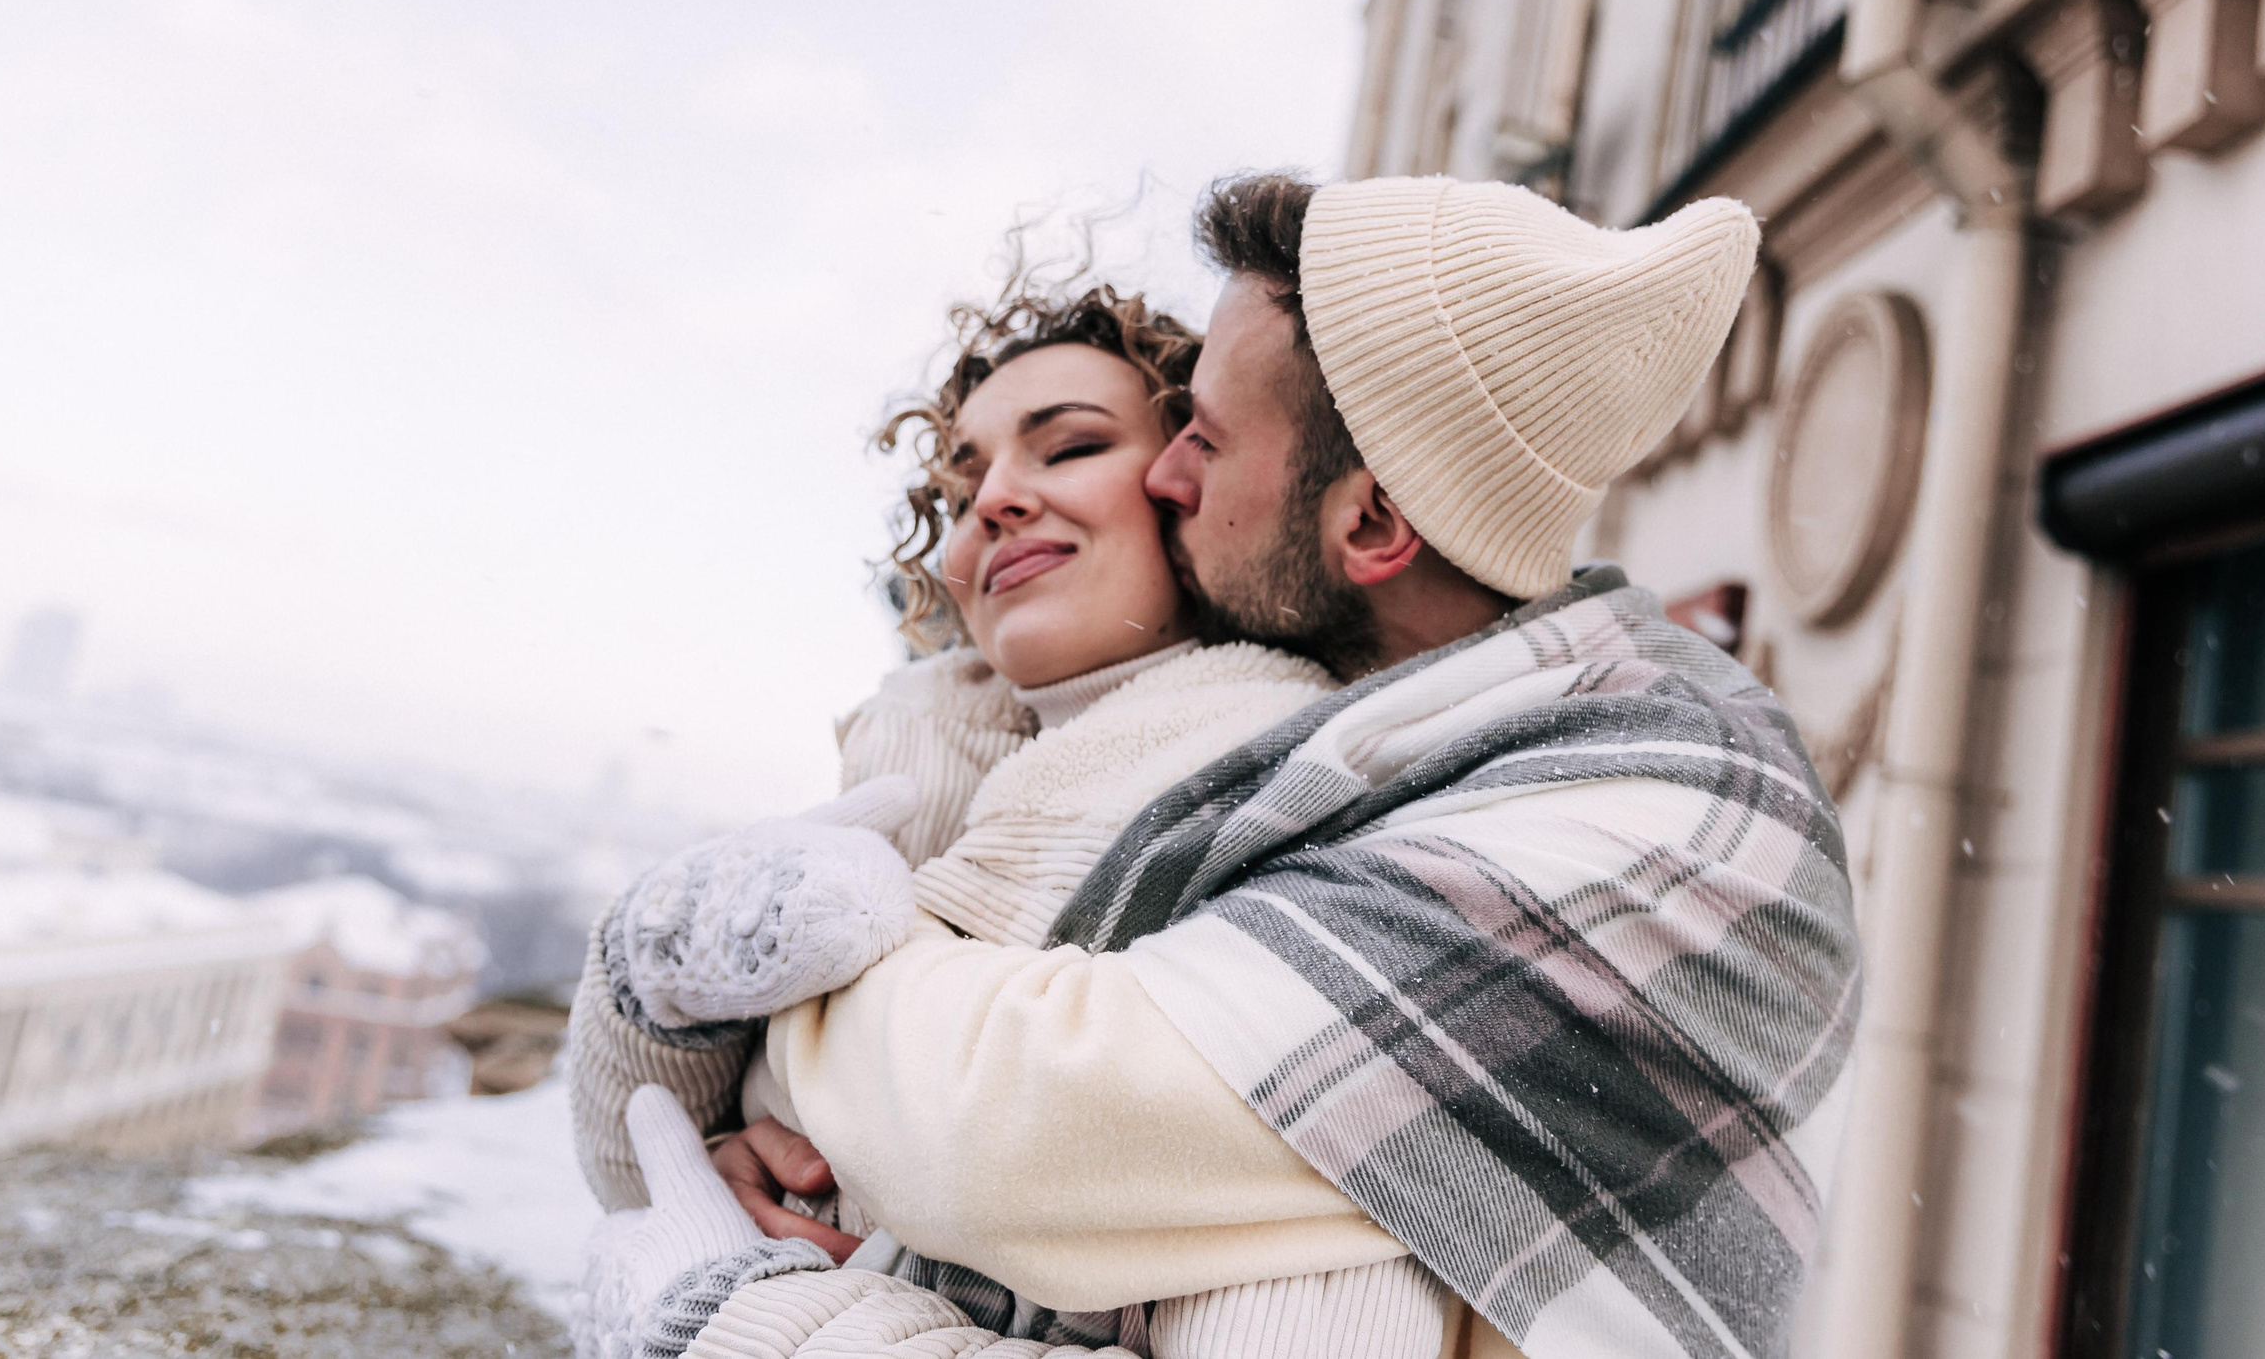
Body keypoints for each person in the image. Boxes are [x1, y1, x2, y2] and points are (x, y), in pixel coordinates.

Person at [571, 174, 1863, 1359]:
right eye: (964, 476)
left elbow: (1007, 1117)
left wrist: (754, 1296)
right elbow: (759, 1150)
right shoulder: (1320, 768)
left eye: (1197, 432)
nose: (1174, 473)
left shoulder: (1634, 805)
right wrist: (687, 1032)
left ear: (1366, 520)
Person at [570, 273, 1450, 1357]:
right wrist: (655, 981)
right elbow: (636, 1188)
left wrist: (754, 1324)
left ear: (1197, 483)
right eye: (959, 483)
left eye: (1069, 446)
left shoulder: (1296, 823)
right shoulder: (908, 782)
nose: (992, 500)